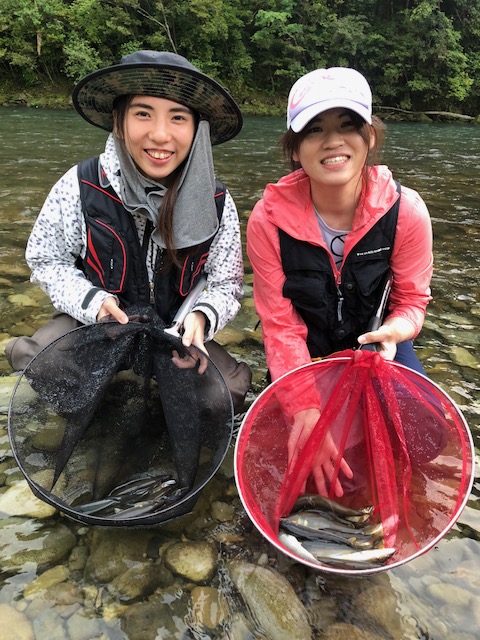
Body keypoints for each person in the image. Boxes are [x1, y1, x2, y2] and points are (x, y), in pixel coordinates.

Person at [5, 49, 251, 412]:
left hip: (173, 335)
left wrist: (201, 317)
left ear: (197, 129)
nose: (161, 134)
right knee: (46, 363)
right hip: (97, 328)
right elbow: (46, 260)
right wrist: (94, 303)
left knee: (223, 395)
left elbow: (226, 283)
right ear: (119, 122)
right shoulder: (80, 185)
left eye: (178, 117)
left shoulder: (215, 201)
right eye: (143, 114)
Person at [246, 67, 434, 495]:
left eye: (347, 125)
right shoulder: (267, 220)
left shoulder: (406, 212)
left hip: (376, 345)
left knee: (423, 444)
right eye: (314, 130)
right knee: (292, 456)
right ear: (295, 149)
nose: (332, 141)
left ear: (369, 137)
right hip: (304, 346)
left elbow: (411, 302)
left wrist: (396, 332)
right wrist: (305, 410)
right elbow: (279, 323)